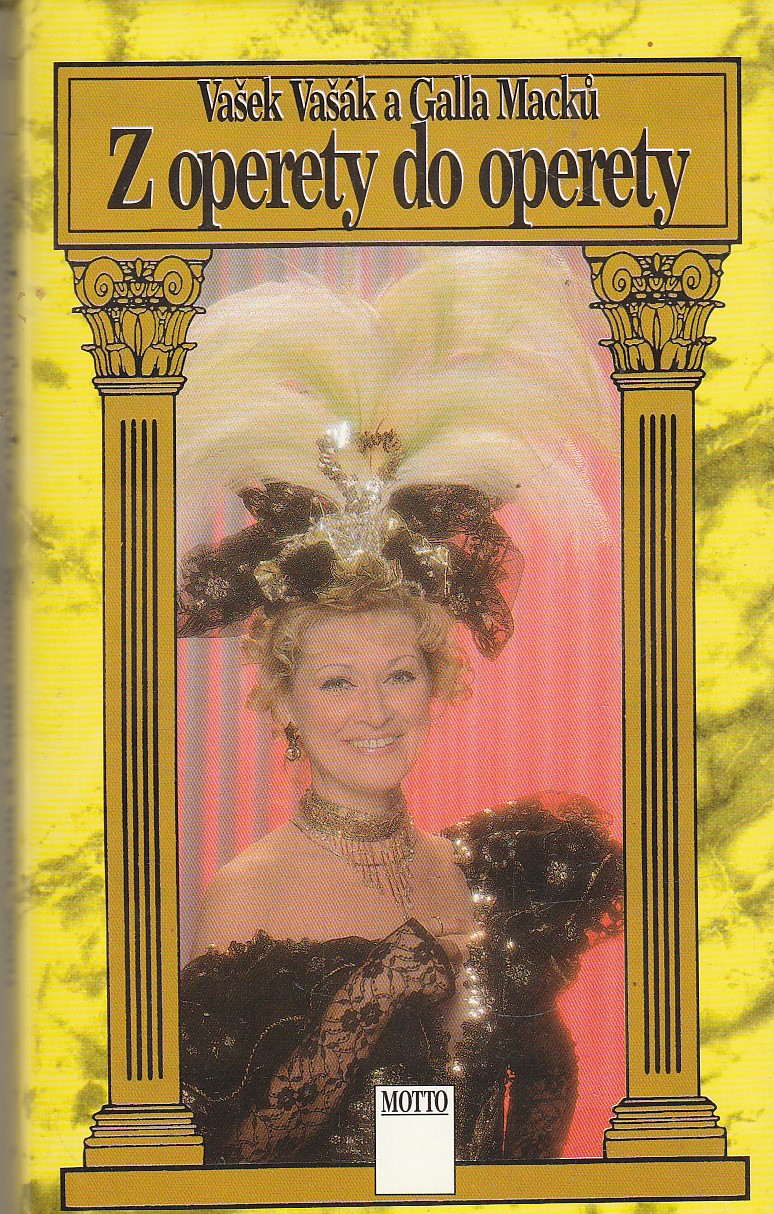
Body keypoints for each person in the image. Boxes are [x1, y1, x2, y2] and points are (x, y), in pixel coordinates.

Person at [176, 416, 622, 1166]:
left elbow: (531, 1091)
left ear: (436, 683)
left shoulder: (479, 873)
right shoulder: (249, 893)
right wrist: (371, 996)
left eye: (400, 675)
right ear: (285, 702)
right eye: (337, 682)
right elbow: (224, 1161)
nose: (376, 712)